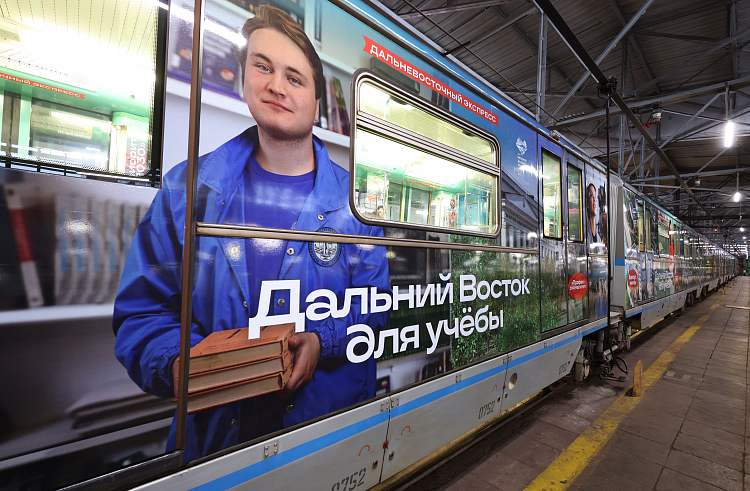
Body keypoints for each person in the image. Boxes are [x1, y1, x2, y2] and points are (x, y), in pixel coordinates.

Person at [113, 5, 391, 461]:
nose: (276, 85)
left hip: (327, 436)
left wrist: (323, 340)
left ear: (318, 103)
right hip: (216, 444)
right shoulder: (187, 190)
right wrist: (180, 364)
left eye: (294, 77)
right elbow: (141, 314)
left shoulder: (355, 203)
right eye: (263, 67)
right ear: (244, 77)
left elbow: (374, 305)